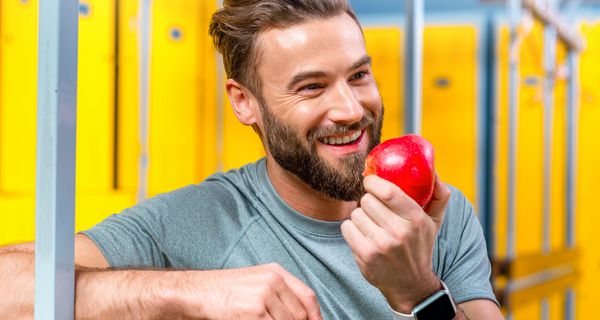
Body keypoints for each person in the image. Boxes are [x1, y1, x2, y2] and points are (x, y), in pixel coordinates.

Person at [0, 0, 504, 319]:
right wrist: (185, 294)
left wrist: (422, 292)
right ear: (244, 102)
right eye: (311, 86)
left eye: (358, 75)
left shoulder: (438, 212)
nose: (351, 109)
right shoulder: (203, 220)